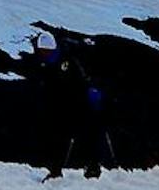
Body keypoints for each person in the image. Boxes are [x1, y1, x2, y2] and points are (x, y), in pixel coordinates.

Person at [31, 27, 111, 178]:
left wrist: (90, 93)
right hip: (61, 106)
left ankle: (92, 167)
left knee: (87, 135)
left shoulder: (66, 61)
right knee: (59, 138)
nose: (43, 53)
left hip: (79, 104)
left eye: (45, 51)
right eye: (41, 51)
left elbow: (80, 80)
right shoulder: (47, 64)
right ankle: (55, 170)